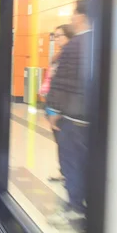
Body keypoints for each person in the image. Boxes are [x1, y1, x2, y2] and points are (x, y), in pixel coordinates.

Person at [46, 0, 93, 229]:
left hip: (73, 117)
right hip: (93, 119)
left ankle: (75, 207)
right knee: (87, 162)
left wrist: (53, 110)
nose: (72, 19)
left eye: (74, 14)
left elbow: (62, 82)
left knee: (71, 161)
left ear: (81, 17)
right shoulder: (103, 43)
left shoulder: (74, 46)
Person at [42, 24, 73, 183]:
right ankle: (64, 171)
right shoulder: (58, 56)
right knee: (60, 141)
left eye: (60, 35)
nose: (57, 39)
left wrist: (56, 109)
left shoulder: (69, 56)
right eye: (55, 36)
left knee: (64, 142)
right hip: (52, 102)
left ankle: (68, 173)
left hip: (60, 107)